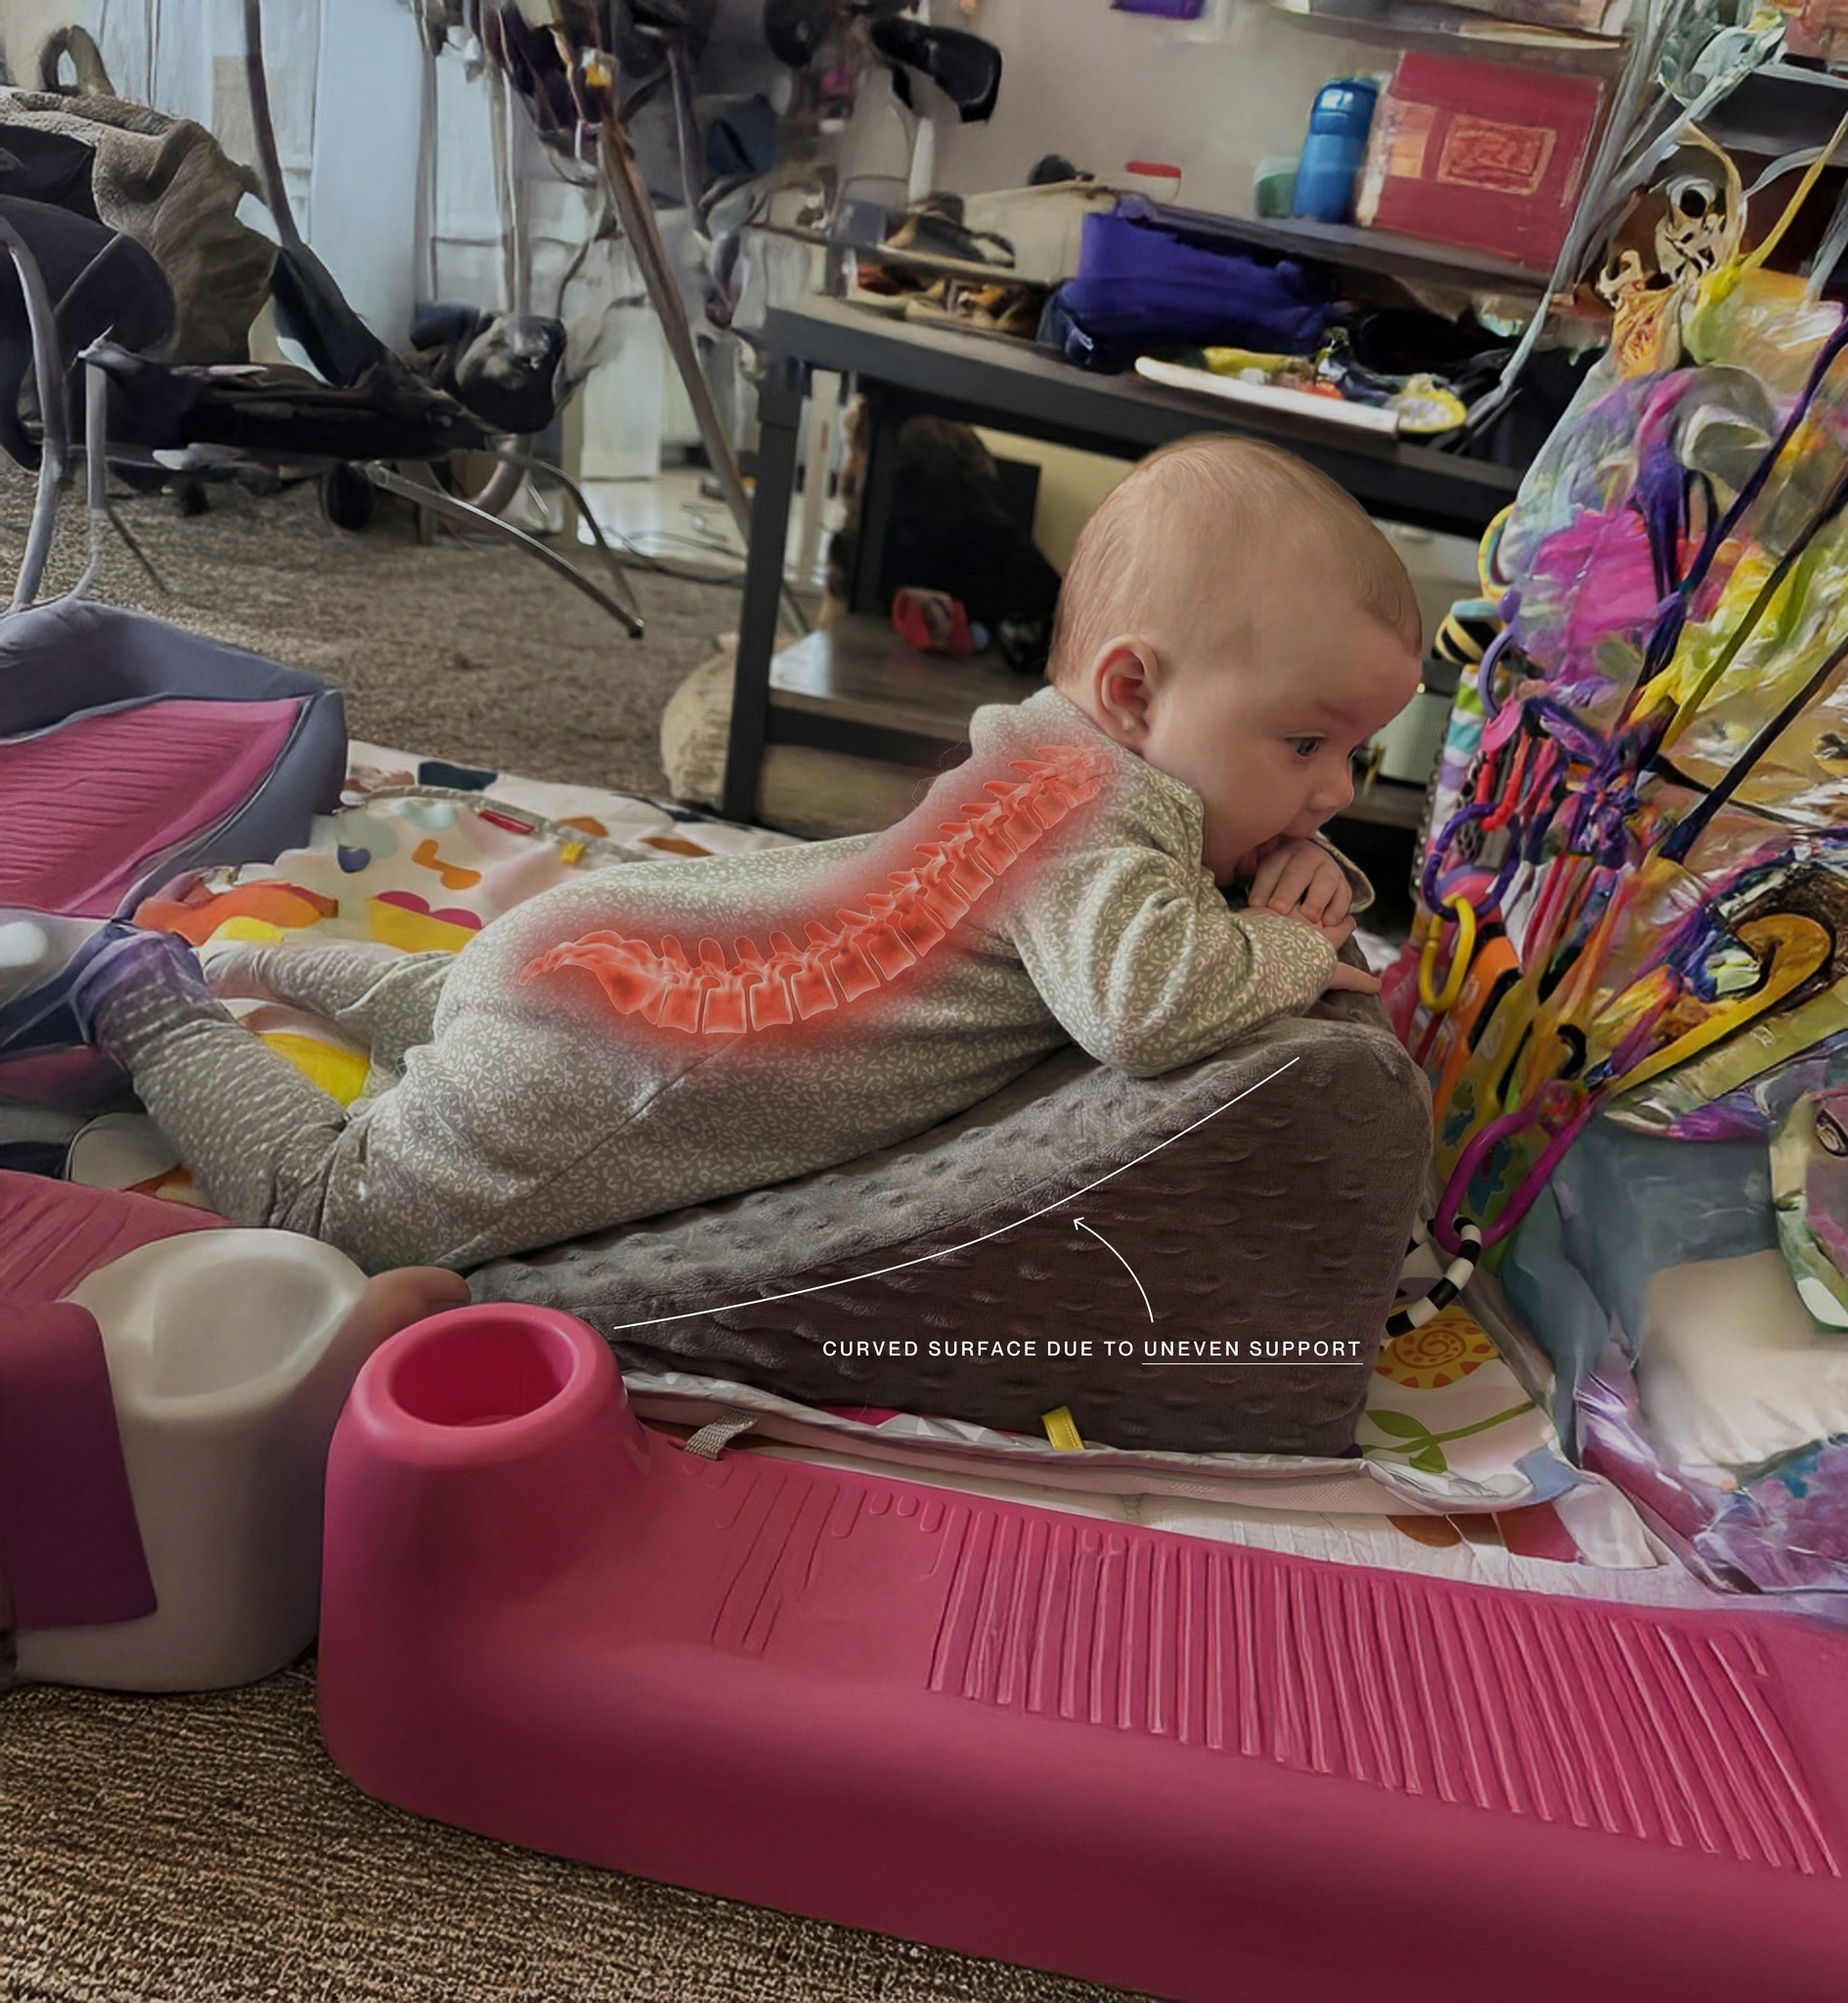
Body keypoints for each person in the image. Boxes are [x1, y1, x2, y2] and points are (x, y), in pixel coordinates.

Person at [0, 434, 1423, 1273]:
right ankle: (150, 996)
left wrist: (1276, 872)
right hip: (623, 1051)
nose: (1334, 793)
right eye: (1303, 749)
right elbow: (1151, 1006)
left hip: (587, 943)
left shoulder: (1048, 756)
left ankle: (285, 961)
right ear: (1131, 695)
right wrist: (1292, 945)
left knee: (455, 998)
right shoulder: (1107, 828)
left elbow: (1167, 906)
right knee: (342, 1215)